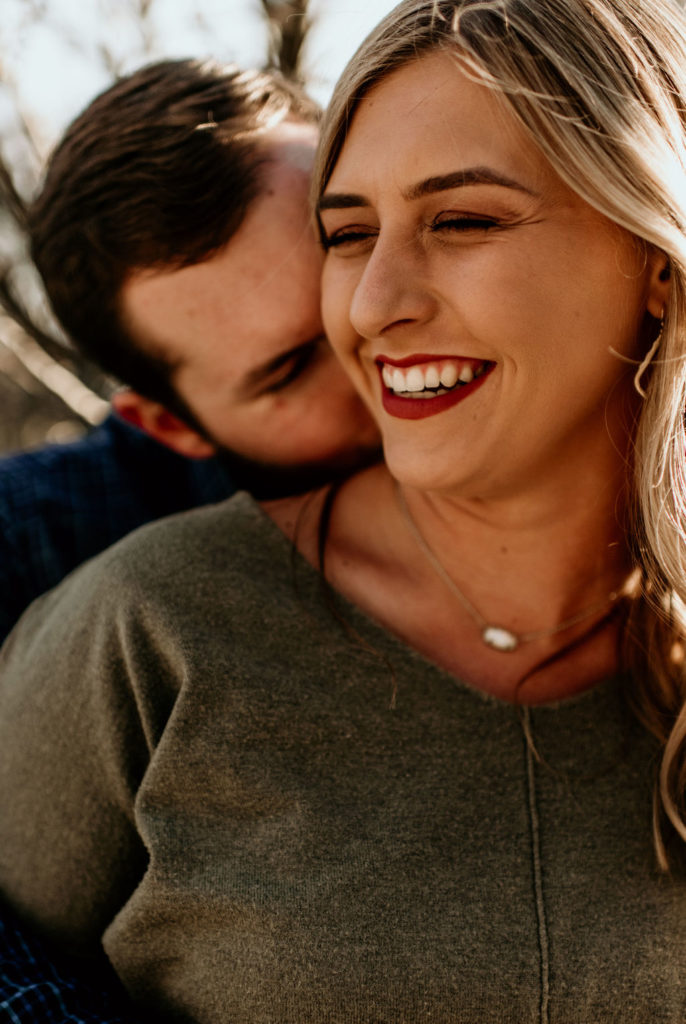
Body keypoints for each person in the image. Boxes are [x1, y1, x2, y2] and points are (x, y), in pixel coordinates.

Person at [2, 0, 686, 1020]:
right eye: (351, 236)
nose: (367, 318)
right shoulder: (120, 605)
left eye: (453, 220)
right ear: (169, 425)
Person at [0, 57, 380, 644]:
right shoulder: (29, 552)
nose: (383, 353)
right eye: (294, 367)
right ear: (169, 424)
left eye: (359, 245)